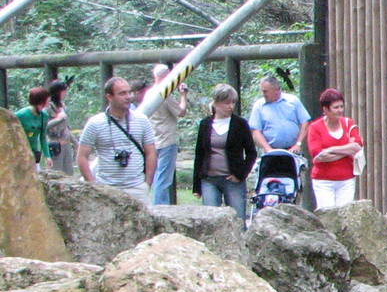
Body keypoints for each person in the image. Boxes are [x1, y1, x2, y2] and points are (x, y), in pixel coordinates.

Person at [76, 75, 156, 202]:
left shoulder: (142, 120)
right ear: (109, 96)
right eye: (122, 93)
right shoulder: (95, 123)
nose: (128, 97)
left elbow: (151, 152)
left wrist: (147, 184)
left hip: (137, 188)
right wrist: (93, 185)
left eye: (129, 92)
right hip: (106, 188)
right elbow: (81, 156)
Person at [192, 83, 256, 222]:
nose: (230, 106)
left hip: (233, 181)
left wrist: (240, 174)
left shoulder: (240, 124)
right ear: (216, 103)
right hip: (209, 180)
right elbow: (200, 154)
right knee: (209, 221)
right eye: (227, 103)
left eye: (233, 102)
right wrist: (196, 185)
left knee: (238, 220)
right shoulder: (205, 124)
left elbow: (251, 153)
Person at [305, 87, 362, 209]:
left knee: (345, 216)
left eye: (341, 106)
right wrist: (346, 150)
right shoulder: (315, 128)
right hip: (323, 181)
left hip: (346, 180)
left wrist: (330, 149)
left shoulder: (348, 123)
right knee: (328, 216)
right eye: (336, 107)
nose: (340, 110)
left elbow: (357, 146)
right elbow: (318, 156)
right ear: (325, 109)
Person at [145, 62, 189, 205]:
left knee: (156, 176)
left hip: (154, 140)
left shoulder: (149, 93)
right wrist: (183, 96)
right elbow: (181, 111)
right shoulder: (164, 94)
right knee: (163, 179)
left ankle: (157, 205)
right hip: (167, 141)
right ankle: (161, 208)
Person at [247, 75, 309, 156]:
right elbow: (255, 131)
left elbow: (305, 122)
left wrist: (298, 144)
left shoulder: (293, 101)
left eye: (265, 91)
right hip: (270, 152)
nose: (263, 94)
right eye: (262, 91)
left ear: (276, 90)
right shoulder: (259, 106)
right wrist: (267, 148)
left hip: (293, 151)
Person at [13, 85, 49, 167]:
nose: (48, 102)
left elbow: (42, 138)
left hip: (33, 154)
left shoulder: (44, 116)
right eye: (47, 100)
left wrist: (47, 156)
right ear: (41, 101)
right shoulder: (20, 115)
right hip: (19, 154)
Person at [45, 78, 74, 173]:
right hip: (55, 145)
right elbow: (44, 126)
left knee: (69, 173)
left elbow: (66, 128)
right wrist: (58, 119)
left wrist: (76, 142)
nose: (65, 93)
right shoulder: (47, 108)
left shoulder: (62, 106)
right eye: (63, 91)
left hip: (66, 144)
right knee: (56, 174)